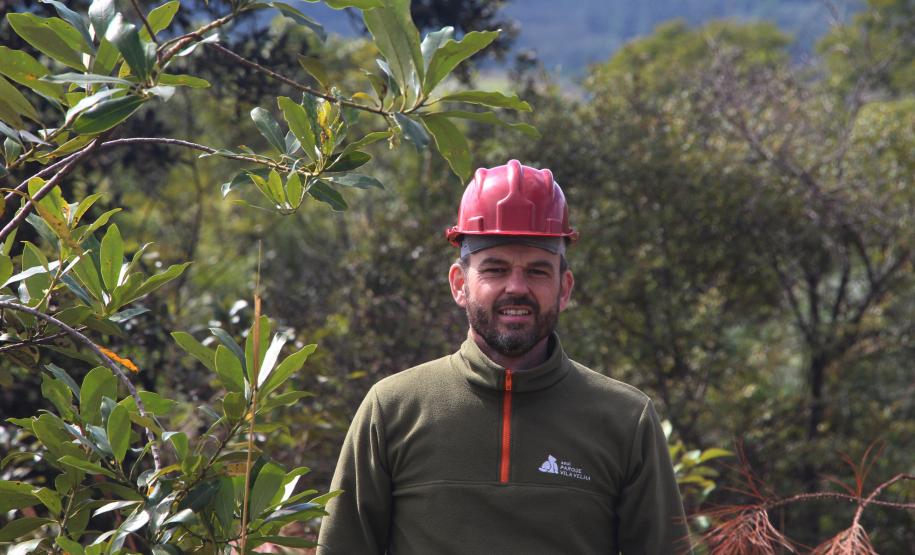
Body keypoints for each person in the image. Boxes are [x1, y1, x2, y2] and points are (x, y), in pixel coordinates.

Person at [316, 160, 690, 554]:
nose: (516, 287)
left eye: (537, 271)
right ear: (460, 284)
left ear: (564, 288)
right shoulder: (392, 409)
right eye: (495, 269)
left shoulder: (626, 419)